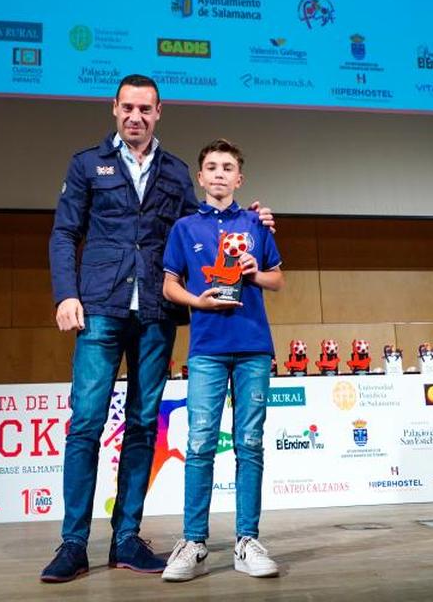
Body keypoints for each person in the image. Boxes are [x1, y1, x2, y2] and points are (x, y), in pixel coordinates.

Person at [43, 75, 273, 582]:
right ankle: (73, 543)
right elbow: (64, 232)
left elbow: (203, 223)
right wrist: (66, 293)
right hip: (100, 307)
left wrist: (251, 220)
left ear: (159, 112)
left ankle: (127, 538)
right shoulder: (87, 164)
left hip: (154, 314)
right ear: (114, 109)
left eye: (145, 109)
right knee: (85, 424)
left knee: (144, 426)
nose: (136, 117)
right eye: (128, 108)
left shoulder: (173, 171)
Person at [159, 139, 283, 581]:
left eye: (227, 167)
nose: (218, 174)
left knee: (249, 443)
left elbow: (278, 279)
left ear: (239, 178)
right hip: (207, 349)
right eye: (211, 167)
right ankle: (194, 542)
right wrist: (198, 301)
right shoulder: (185, 228)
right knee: (198, 444)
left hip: (253, 346)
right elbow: (169, 285)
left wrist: (254, 272)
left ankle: (247, 540)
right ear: (200, 176)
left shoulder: (257, 223)